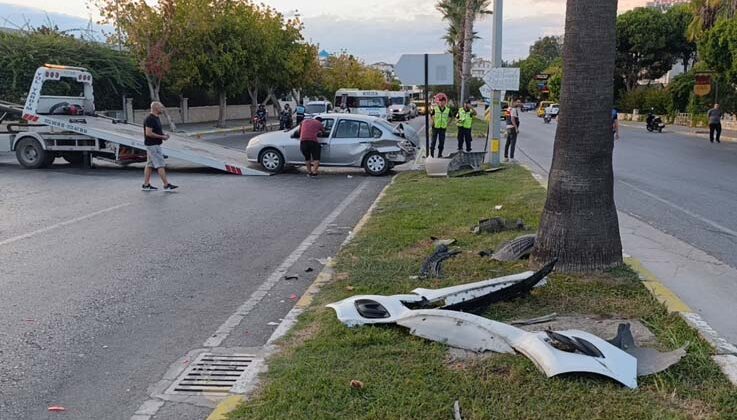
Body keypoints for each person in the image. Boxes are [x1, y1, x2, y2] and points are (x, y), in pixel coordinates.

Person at [142, 102, 177, 191]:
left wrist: (164, 135)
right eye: (161, 107)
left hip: (154, 144)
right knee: (160, 164)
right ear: (156, 108)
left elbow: (156, 131)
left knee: (149, 165)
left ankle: (146, 185)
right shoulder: (149, 119)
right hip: (152, 145)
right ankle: (166, 185)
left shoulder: (156, 118)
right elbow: (148, 133)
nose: (162, 109)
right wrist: (162, 137)